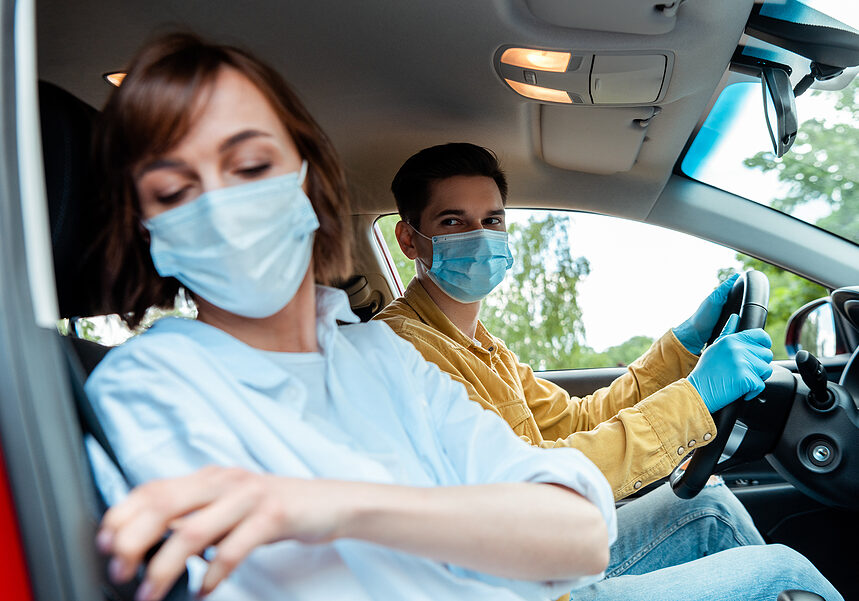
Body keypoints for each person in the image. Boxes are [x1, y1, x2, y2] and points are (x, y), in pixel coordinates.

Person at [87, 34, 617, 601]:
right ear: (147, 229)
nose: (221, 209)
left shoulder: (378, 355)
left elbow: (581, 533)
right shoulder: (150, 386)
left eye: (250, 165)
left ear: (308, 179)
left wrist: (340, 505)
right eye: (173, 192)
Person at [374, 142, 844, 601]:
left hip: (534, 554)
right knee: (784, 571)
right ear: (409, 238)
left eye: (492, 220)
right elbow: (532, 484)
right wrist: (696, 398)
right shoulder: (401, 348)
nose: (479, 236)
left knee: (710, 507)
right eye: (453, 221)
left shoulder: (482, 346)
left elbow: (578, 422)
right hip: (504, 582)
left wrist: (682, 347)